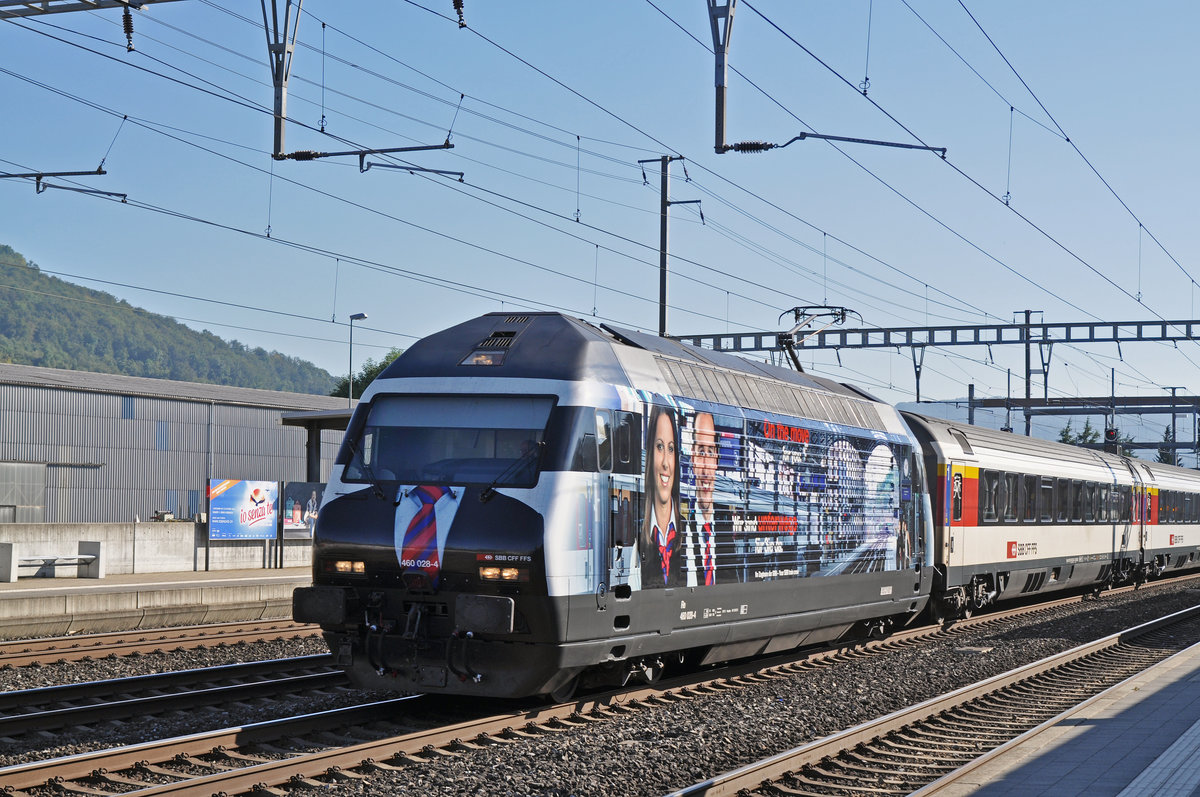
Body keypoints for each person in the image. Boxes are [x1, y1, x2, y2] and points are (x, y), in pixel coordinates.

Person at [641, 405, 684, 588]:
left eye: (671, 449)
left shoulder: (689, 535)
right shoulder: (637, 537)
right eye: (659, 447)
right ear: (650, 455)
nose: (666, 462)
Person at [690, 411, 723, 586]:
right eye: (701, 452)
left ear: (716, 459)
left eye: (710, 452)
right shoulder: (681, 531)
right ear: (693, 457)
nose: (705, 469)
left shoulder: (728, 530)